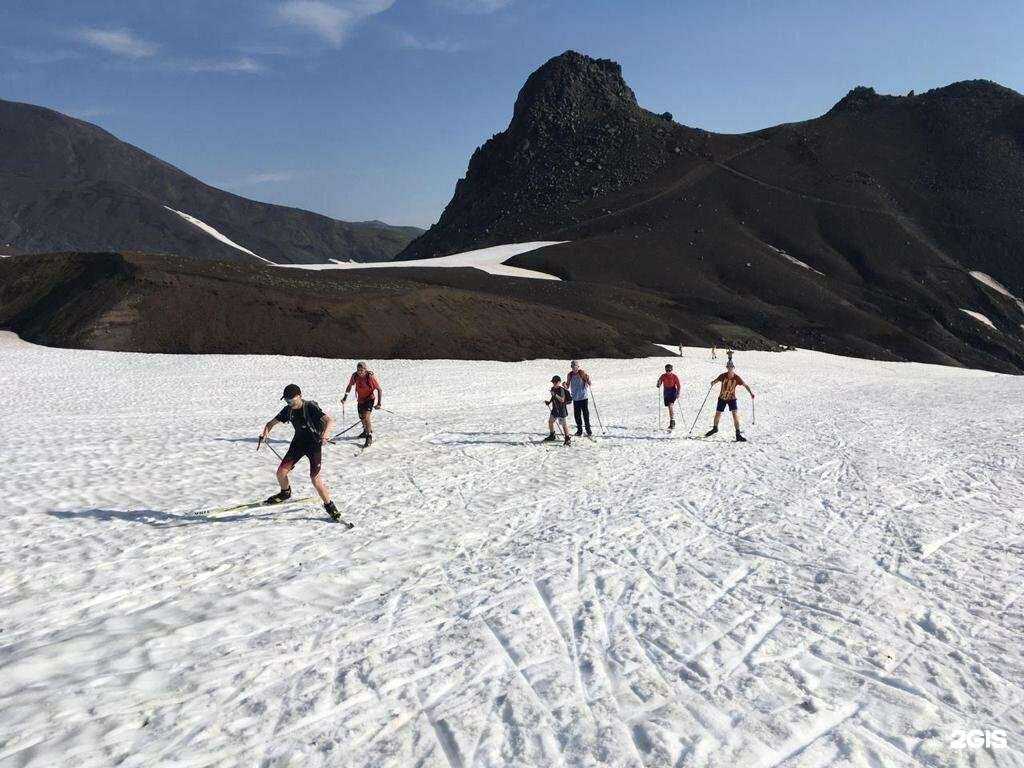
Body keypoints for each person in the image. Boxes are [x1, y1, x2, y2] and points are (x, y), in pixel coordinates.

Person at [260, 384, 341, 521]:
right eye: (286, 401)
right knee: (281, 473)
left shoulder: (310, 407)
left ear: (300, 396)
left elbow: (329, 420)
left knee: (315, 478)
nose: (289, 403)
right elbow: (270, 423)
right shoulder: (288, 410)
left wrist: (325, 435)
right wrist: (265, 434)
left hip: (314, 445)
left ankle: (330, 506)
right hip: (298, 444)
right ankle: (285, 493)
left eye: (291, 400)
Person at [705, 361, 754, 442]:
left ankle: (738, 434)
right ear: (727, 368)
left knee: (735, 415)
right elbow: (715, 381)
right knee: (718, 413)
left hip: (732, 399)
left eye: (731, 367)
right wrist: (712, 383)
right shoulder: (722, 376)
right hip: (722, 398)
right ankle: (715, 428)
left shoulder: (737, 378)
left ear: (733, 368)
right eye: (728, 367)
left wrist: (751, 393)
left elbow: (745, 385)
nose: (730, 368)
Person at [342, 362, 382, 448]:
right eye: (358, 370)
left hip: (369, 399)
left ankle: (369, 436)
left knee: (366, 417)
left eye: (362, 370)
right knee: (361, 417)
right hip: (360, 400)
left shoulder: (370, 377)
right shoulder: (355, 376)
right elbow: (349, 386)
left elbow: (379, 390)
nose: (360, 372)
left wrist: (379, 403)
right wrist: (345, 397)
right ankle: (365, 431)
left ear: (365, 369)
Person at [566, 359, 593, 437]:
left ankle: (588, 430)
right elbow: (567, 386)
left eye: (576, 367)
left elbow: (589, 383)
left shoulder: (582, 373)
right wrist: (565, 385)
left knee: (585, 414)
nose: (575, 368)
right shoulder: (570, 375)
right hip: (575, 398)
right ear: (571, 367)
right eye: (573, 367)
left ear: (578, 367)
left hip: (583, 397)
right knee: (577, 415)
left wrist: (588, 379)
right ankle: (579, 430)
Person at [543, 375, 572, 445]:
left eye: (555, 382)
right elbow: (553, 397)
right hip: (555, 409)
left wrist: (555, 394)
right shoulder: (552, 388)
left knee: (563, 424)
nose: (554, 383)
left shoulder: (561, 390)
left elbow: (562, 400)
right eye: (553, 382)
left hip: (561, 409)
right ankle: (552, 435)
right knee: (550, 422)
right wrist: (549, 402)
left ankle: (567, 438)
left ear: (559, 382)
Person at [656, 363, 681, 429]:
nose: (668, 372)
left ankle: (672, 421)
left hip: (673, 391)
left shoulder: (675, 376)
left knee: (670, 406)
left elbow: (678, 385)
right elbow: (659, 383)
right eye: (667, 370)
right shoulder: (663, 376)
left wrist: (678, 393)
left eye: (669, 370)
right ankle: (672, 420)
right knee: (669, 407)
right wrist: (658, 384)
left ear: (671, 370)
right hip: (666, 392)